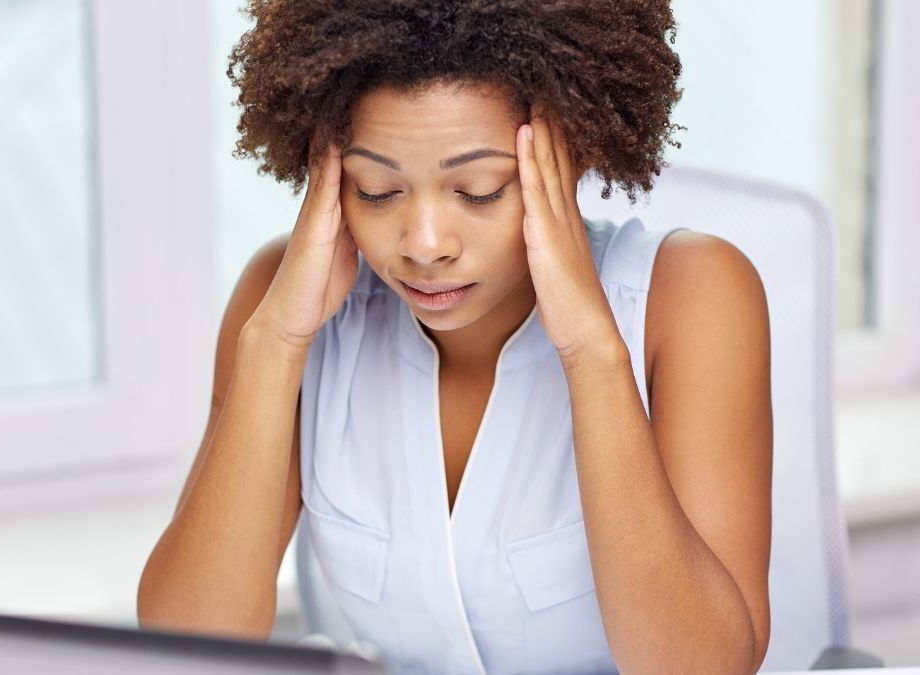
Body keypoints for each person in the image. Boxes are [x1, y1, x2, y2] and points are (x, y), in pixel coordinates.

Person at [137, 1, 773, 673]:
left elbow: (706, 667)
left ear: (571, 151)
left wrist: (590, 350)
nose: (426, 244)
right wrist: (272, 347)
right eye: (378, 190)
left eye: (477, 190)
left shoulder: (689, 296)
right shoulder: (286, 304)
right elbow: (188, 644)